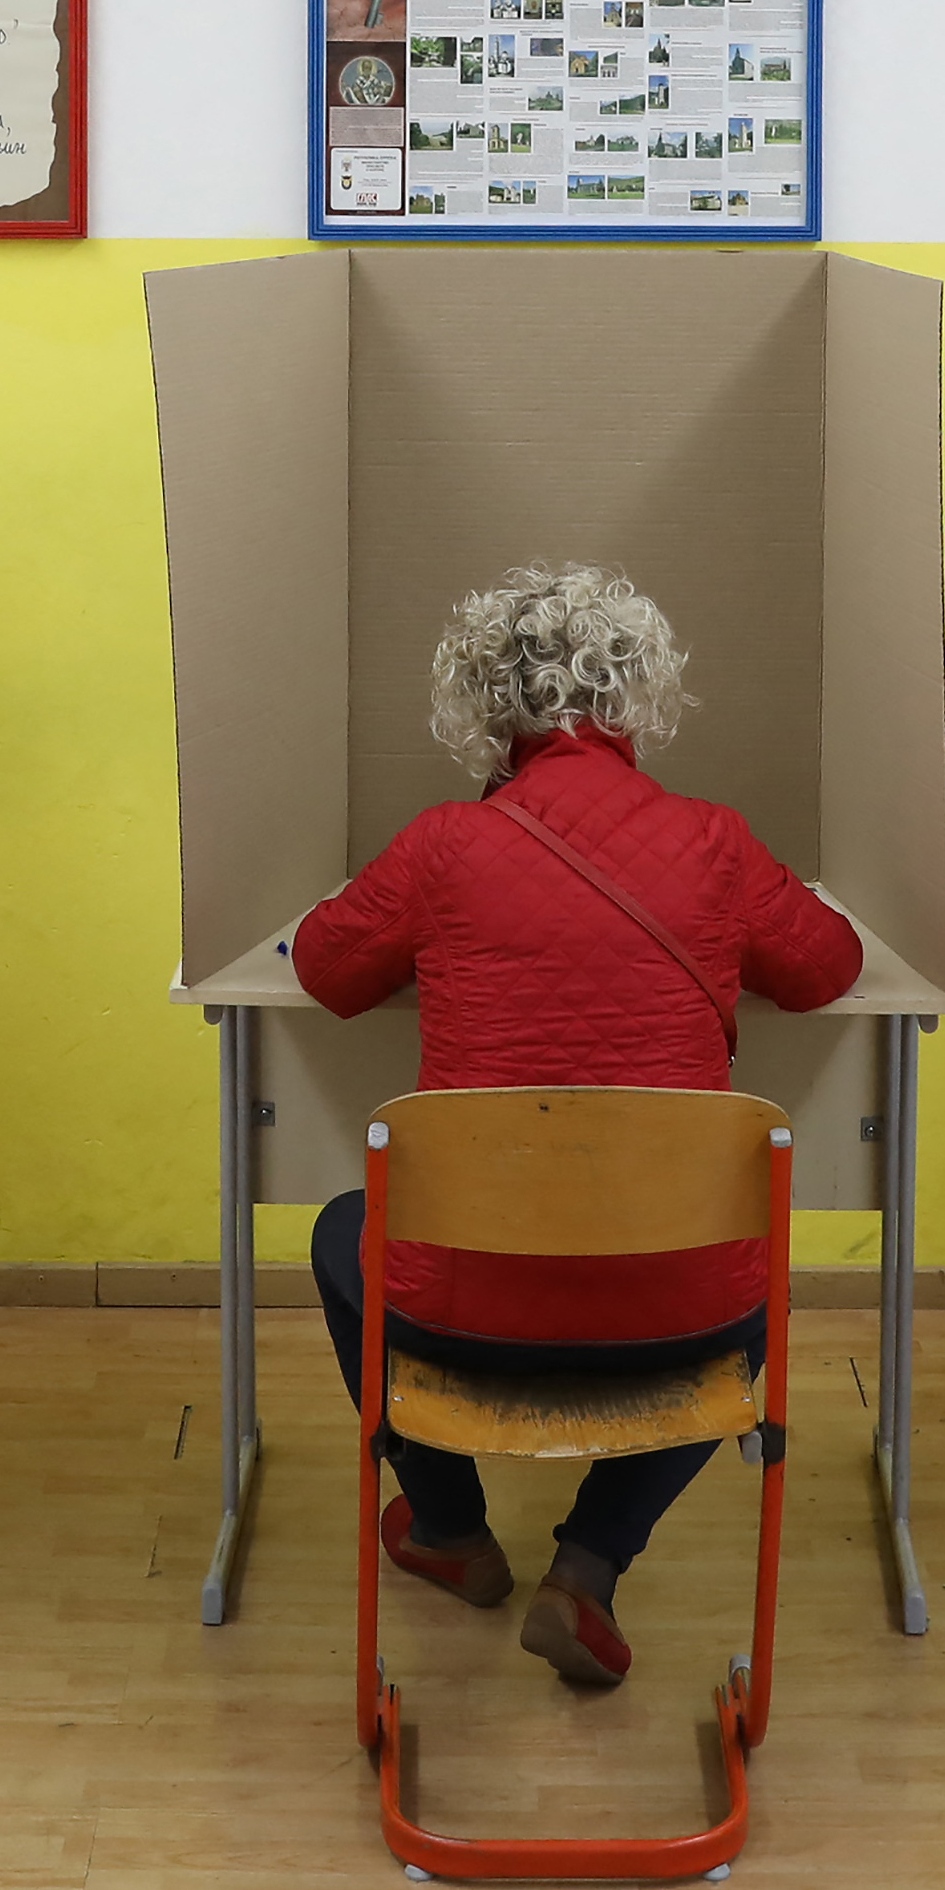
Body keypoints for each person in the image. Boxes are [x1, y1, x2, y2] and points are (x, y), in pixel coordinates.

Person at [296, 563, 861, 1688]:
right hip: (680, 1324)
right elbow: (826, 967)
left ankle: (451, 1527)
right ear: (635, 695)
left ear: (487, 703)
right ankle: (590, 1566)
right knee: (753, 1270)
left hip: (464, 1321)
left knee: (340, 1226)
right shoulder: (713, 840)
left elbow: (325, 967)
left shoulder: (444, 844)